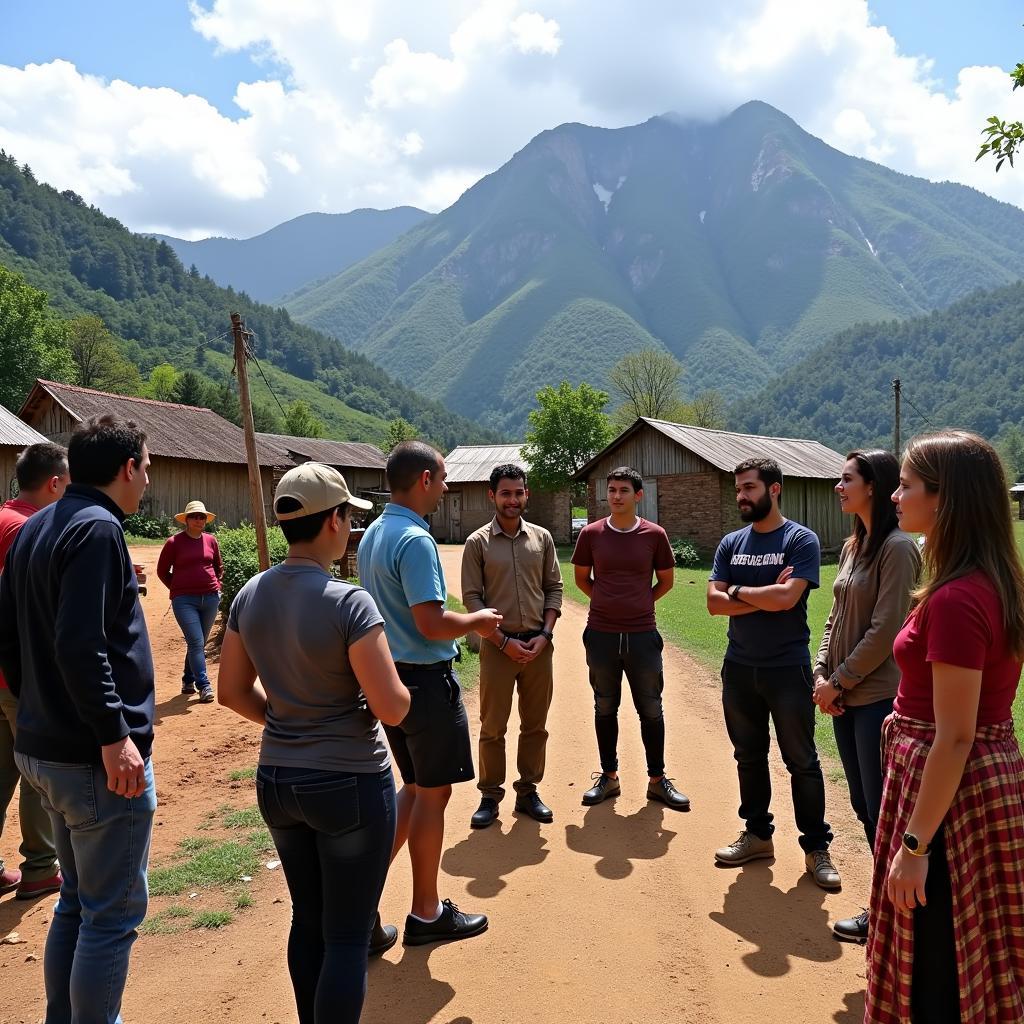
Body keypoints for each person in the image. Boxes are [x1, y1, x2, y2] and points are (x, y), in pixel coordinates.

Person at [218, 463, 411, 1024]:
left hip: (278, 779)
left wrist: (288, 722)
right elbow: (390, 706)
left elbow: (230, 691)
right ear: (332, 521)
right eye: (349, 517)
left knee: (308, 919)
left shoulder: (250, 594)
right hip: (350, 782)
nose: (351, 528)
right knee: (348, 937)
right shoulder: (348, 603)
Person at [0, 414, 155, 1024]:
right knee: (111, 917)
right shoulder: (97, 531)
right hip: (93, 759)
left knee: (76, 905)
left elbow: (7, 635)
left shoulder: (39, 527)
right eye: (146, 466)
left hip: (43, 747)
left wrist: (34, 706)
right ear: (128, 469)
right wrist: (114, 736)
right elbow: (79, 644)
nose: (148, 478)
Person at [867, 431, 1024, 1024]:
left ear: (946, 499)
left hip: (950, 800)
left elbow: (956, 735)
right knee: (974, 940)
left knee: (939, 952)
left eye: (906, 487)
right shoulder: (988, 580)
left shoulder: (958, 598)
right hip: (965, 788)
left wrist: (915, 846)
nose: (896, 498)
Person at [358, 440, 501, 945]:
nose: (444, 489)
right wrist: (477, 622)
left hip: (391, 679)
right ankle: (425, 911)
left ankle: (363, 904)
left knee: (415, 788)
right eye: (441, 480)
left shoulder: (374, 532)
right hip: (424, 682)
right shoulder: (415, 540)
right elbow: (431, 621)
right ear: (423, 480)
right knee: (432, 795)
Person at [707, 457, 840, 890]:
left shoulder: (800, 540)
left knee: (801, 760)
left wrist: (738, 592)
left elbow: (786, 600)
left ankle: (816, 849)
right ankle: (758, 836)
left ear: (774, 489)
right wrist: (763, 595)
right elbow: (713, 602)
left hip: (788, 668)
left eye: (749, 488)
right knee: (748, 754)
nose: (742, 496)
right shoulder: (731, 542)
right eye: (739, 489)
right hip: (740, 666)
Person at [812, 451, 921, 943]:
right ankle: (886, 905)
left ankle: (898, 913)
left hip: (875, 698)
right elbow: (835, 617)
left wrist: (841, 680)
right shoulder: (854, 544)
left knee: (882, 808)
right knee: (861, 802)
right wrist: (821, 674)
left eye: (845, 479)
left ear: (871, 486)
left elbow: (885, 629)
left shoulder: (898, 549)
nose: (838, 486)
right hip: (844, 694)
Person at [570, 466, 690, 811]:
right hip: (601, 635)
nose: (616, 496)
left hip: (643, 636)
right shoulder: (591, 534)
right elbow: (582, 579)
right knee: (605, 706)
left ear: (639, 495)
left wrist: (639, 604)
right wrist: (608, 605)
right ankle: (609, 778)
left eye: (624, 490)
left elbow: (665, 581)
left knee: (651, 708)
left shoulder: (654, 535)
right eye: (611, 490)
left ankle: (657, 781)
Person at [462, 463, 563, 829]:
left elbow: (554, 588)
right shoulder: (477, 543)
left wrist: (545, 635)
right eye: (505, 493)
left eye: (518, 492)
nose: (513, 499)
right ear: (492, 496)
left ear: (527, 494)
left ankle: (528, 791)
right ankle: (489, 796)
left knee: (535, 725)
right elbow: (472, 598)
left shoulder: (542, 538)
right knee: (493, 726)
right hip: (497, 648)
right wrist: (501, 641)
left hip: (538, 647)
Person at [0, 443, 69, 901]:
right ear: (55, 483)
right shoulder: (29, 532)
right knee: (36, 770)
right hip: (17, 671)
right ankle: (41, 866)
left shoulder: (4, 518)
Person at [157, 499, 223, 702]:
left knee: (198, 643)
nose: (199, 520)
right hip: (184, 601)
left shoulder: (211, 540)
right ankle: (204, 685)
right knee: (196, 641)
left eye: (202, 516)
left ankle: (187, 680)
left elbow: (218, 566)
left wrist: (216, 586)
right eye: (194, 516)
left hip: (210, 598)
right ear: (186, 520)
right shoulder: (173, 543)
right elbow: (161, 571)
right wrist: (178, 590)